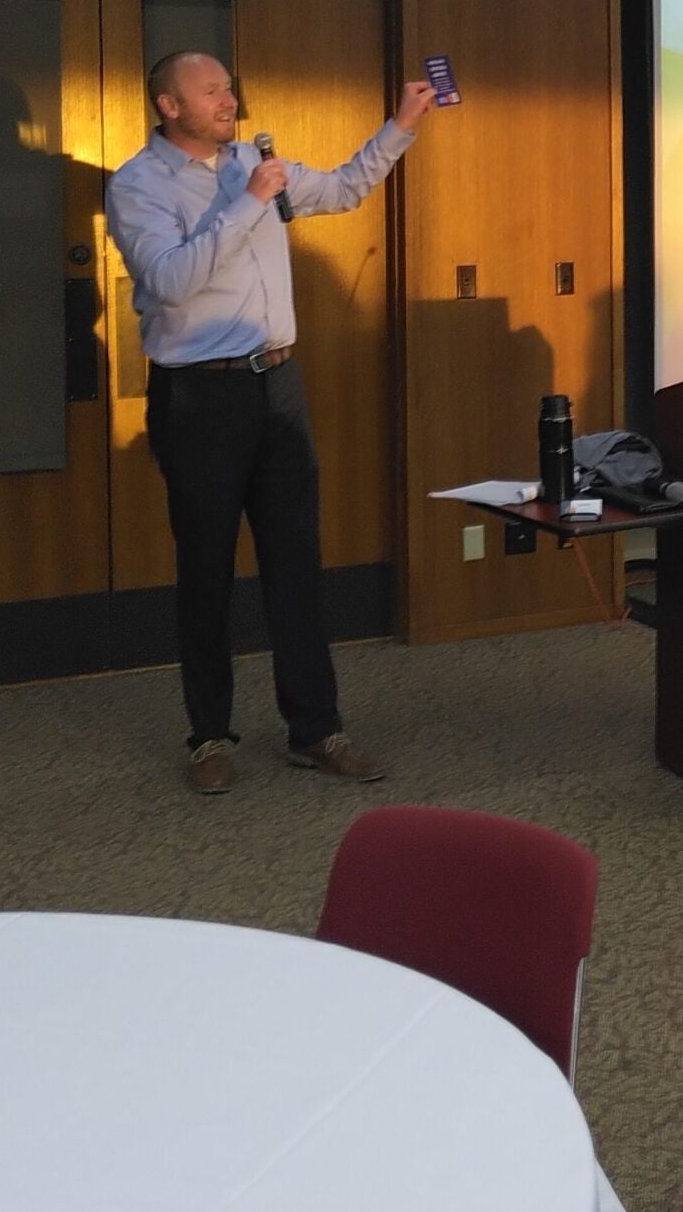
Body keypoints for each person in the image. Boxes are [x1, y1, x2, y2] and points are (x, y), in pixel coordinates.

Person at [106, 51, 436, 795]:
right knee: (207, 570)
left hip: (277, 384)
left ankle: (316, 729)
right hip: (199, 397)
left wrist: (402, 126)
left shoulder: (251, 164)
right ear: (168, 105)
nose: (229, 98)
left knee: (297, 563)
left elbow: (347, 188)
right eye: (211, 89)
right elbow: (170, 280)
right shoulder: (138, 184)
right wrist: (250, 201)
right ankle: (209, 736)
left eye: (229, 85)